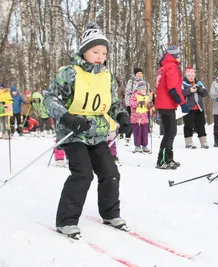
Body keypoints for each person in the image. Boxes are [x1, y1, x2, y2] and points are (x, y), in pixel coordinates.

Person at [43, 23, 132, 238]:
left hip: (97, 133)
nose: (100, 56)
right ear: (84, 51)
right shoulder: (70, 73)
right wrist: (68, 117)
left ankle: (110, 213)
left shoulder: (107, 76)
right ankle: (66, 220)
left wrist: (122, 117)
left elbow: (111, 103)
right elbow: (50, 99)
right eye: (95, 51)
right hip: (73, 133)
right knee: (83, 174)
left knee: (110, 173)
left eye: (104, 52)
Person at [154, 46, 188, 169]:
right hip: (167, 104)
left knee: (170, 132)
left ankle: (168, 158)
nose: (180, 57)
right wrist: (182, 103)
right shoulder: (171, 67)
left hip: (165, 104)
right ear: (173, 56)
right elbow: (173, 89)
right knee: (170, 133)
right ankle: (162, 160)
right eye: (178, 55)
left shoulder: (164, 67)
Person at [182, 66, 209, 149]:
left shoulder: (199, 83)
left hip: (199, 108)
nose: (191, 77)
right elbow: (181, 93)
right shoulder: (183, 83)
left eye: (192, 76)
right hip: (188, 108)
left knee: (201, 124)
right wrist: (190, 90)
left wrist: (199, 89)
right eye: (189, 76)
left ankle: (203, 142)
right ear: (186, 76)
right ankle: (189, 143)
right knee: (188, 125)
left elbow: (205, 93)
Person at [130, 81, 152, 153]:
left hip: (144, 117)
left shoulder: (146, 97)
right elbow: (132, 104)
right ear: (139, 90)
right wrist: (139, 103)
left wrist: (150, 106)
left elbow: (147, 106)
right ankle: (137, 145)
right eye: (142, 89)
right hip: (136, 118)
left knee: (144, 132)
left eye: (144, 90)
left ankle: (144, 145)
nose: (143, 91)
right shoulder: (134, 95)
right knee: (137, 132)